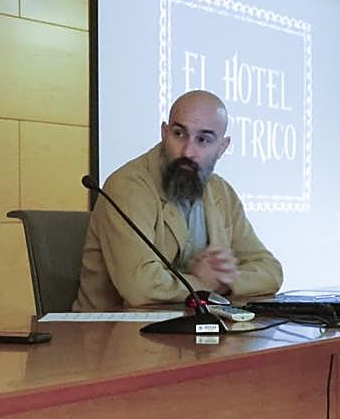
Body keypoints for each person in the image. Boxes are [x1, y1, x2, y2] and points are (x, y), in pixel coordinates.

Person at [74, 90, 283, 310]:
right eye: (179, 134)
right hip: (110, 327)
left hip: (189, 325)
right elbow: (139, 288)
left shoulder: (221, 192)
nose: (188, 151)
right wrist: (205, 284)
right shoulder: (128, 186)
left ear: (222, 147)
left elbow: (271, 271)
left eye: (203, 139)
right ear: (164, 133)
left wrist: (226, 281)